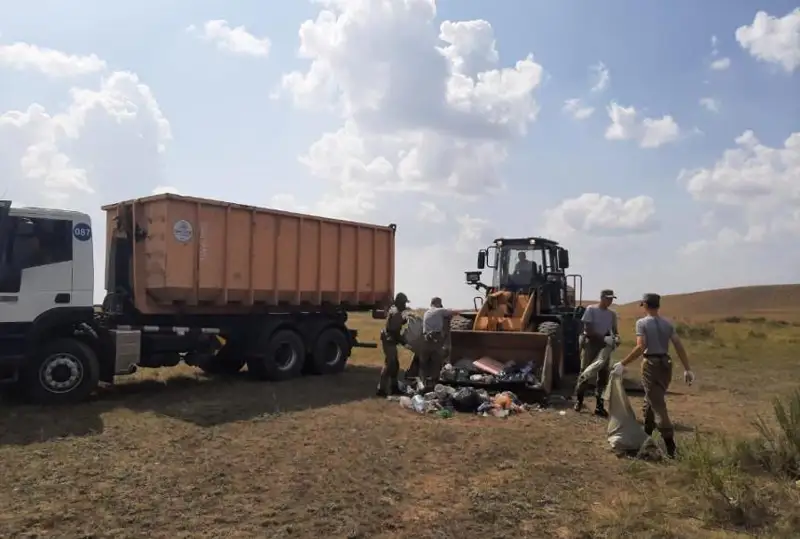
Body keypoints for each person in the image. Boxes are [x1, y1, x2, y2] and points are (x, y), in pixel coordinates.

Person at [611, 293, 695, 458]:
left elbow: (641, 347)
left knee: (658, 406)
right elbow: (678, 345)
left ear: (645, 305)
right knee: (651, 399)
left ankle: (671, 448)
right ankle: (646, 437)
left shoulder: (642, 323)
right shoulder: (667, 323)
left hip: (651, 365)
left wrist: (623, 363)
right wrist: (687, 368)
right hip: (666, 365)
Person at [574, 289, 619, 417]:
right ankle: (579, 401)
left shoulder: (612, 314)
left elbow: (615, 331)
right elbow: (588, 330)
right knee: (585, 372)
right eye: (608, 298)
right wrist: (604, 338)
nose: (610, 301)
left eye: (612, 299)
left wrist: (616, 339)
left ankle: (599, 405)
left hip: (604, 347)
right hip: (591, 344)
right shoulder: (591, 310)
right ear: (602, 298)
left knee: (603, 376)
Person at [419, 297, 465, 389]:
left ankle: (422, 385)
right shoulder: (439, 310)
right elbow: (453, 312)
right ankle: (434, 385)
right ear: (438, 304)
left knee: (425, 363)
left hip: (425, 339)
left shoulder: (426, 312)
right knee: (436, 362)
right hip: (435, 338)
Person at [376, 292, 411, 397]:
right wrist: (405, 343)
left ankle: (394, 387)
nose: (405, 305)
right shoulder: (396, 313)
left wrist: (404, 319)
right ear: (400, 303)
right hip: (389, 340)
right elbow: (394, 332)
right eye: (404, 303)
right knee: (389, 365)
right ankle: (381, 390)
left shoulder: (395, 310)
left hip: (389, 339)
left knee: (395, 365)